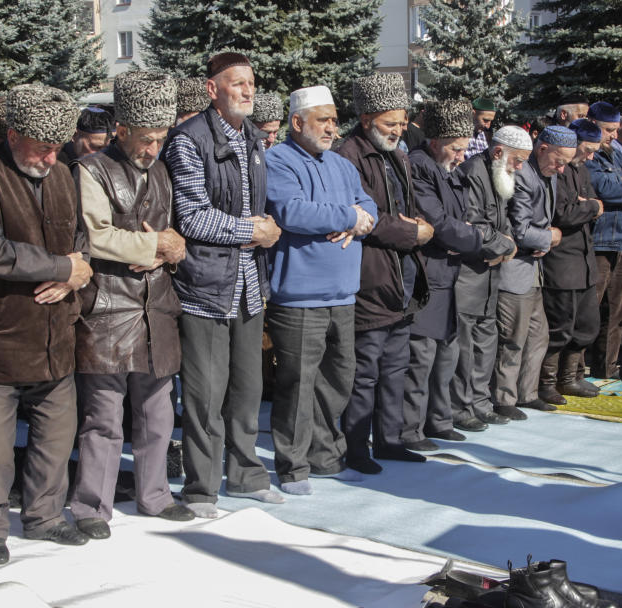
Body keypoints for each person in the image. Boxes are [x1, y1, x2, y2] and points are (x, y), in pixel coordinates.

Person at [69, 72, 194, 540]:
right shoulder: (91, 170)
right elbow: (95, 236)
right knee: (103, 416)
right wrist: (153, 248)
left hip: (156, 306)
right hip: (107, 309)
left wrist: (175, 249)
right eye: (146, 139)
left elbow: (172, 233)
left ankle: (156, 495)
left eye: (160, 139)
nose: (153, 148)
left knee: (158, 412)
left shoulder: (161, 170)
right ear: (121, 130)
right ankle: (91, 507)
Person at [0, 84, 94, 564]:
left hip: (56, 332)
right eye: (42, 147)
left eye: (55, 148)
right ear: (15, 135)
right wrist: (63, 268)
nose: (49, 157)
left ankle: (44, 517)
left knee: (55, 434)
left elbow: (81, 242)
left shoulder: (64, 173)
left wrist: (71, 279)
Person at [165, 52, 284, 518]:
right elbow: (192, 215)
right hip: (206, 286)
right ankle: (200, 488)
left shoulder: (254, 139)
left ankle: (247, 474)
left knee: (248, 389)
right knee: (204, 394)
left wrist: (264, 227)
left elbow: (255, 206)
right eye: (237, 83)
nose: (248, 90)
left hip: (250, 284)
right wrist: (251, 230)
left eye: (251, 82)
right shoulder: (188, 140)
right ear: (212, 89)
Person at [265, 85, 376, 495]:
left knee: (337, 381)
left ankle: (327, 459)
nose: (333, 127)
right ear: (297, 123)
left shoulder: (342, 165)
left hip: (343, 294)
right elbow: (293, 212)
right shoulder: (277, 161)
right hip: (299, 297)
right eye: (323, 120)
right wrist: (350, 216)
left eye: (334, 119)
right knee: (297, 385)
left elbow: (371, 206)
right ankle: (292, 468)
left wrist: (358, 218)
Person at [336, 72, 433, 475]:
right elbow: (366, 219)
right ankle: (357, 447)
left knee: (396, 367)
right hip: (370, 277)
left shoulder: (398, 153)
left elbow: (405, 204)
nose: (398, 129)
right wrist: (412, 231)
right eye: (389, 123)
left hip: (401, 277)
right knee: (366, 371)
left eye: (401, 122)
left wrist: (418, 225)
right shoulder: (349, 156)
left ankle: (390, 440)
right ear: (366, 119)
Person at [402, 100, 484, 448]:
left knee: (446, 353)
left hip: (449, 274)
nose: (461, 155)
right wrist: (477, 239)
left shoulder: (449, 170)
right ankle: (410, 429)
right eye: (456, 148)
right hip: (427, 275)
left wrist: (461, 236)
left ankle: (439, 419)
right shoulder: (420, 166)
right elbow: (438, 224)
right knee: (420, 356)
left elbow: (458, 221)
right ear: (436, 142)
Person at [451, 126, 527, 430]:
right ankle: (460, 407)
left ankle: (480, 403)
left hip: (490, 277)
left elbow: (501, 220)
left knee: (486, 342)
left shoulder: (498, 173)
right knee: (464, 347)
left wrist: (505, 241)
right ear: (499, 152)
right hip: (468, 276)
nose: (519, 168)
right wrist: (505, 244)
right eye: (517, 161)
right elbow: (473, 225)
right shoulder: (472, 172)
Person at [496, 126, 576, 412]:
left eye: (566, 162)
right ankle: (504, 399)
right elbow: (520, 229)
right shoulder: (524, 175)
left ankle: (527, 394)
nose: (562, 169)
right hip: (515, 270)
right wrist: (550, 237)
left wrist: (546, 238)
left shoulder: (547, 174)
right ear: (542, 149)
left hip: (534, 269)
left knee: (538, 334)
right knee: (513, 338)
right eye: (559, 160)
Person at [538, 118, 604, 406]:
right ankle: (547, 382)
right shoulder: (558, 172)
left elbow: (593, 203)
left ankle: (569, 376)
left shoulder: (582, 170)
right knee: (560, 324)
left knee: (587, 322)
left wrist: (586, 205)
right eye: (587, 149)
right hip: (562, 260)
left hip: (585, 258)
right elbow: (563, 213)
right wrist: (590, 207)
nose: (590, 156)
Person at [585, 102, 622, 380]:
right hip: (600, 241)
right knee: (590, 309)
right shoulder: (589, 156)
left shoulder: (616, 154)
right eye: (607, 130)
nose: (613, 135)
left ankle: (608, 367)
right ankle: (575, 368)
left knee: (617, 311)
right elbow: (605, 188)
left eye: (615, 130)